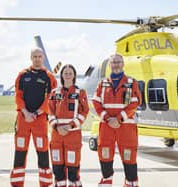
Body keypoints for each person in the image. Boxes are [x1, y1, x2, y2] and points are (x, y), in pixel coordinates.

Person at [10, 47, 57, 187]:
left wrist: (36, 113)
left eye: (39, 56)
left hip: (40, 120)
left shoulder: (49, 76)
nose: (37, 59)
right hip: (23, 119)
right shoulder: (22, 75)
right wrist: (25, 112)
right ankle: (17, 184)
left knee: (43, 152)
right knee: (20, 151)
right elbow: (18, 96)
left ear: (43, 58)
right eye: (35, 56)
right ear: (31, 58)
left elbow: (50, 98)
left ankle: (45, 184)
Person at [92, 54, 141, 187]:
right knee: (105, 154)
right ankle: (106, 181)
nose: (116, 65)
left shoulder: (131, 83)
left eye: (118, 62)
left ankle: (131, 183)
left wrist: (119, 119)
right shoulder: (102, 84)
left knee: (129, 157)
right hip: (107, 127)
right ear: (110, 65)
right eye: (113, 62)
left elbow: (135, 103)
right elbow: (96, 103)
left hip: (126, 127)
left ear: (123, 64)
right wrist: (108, 119)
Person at [48, 64, 89, 187]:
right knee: (57, 168)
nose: (68, 76)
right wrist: (56, 127)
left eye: (70, 73)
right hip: (57, 136)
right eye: (65, 73)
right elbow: (50, 112)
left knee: (73, 169)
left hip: (73, 136)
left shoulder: (80, 93)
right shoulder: (54, 93)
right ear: (61, 76)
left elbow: (83, 112)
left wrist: (70, 126)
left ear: (74, 75)